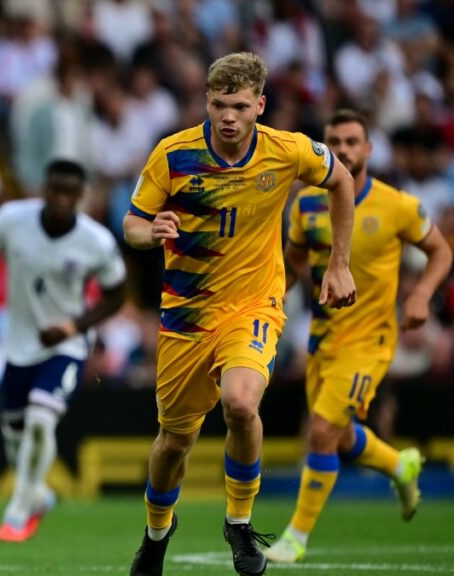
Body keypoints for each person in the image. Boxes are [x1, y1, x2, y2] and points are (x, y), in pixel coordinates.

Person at [121, 52, 358, 576]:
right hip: (185, 315)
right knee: (173, 443)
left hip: (254, 305)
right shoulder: (173, 154)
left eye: (240, 106)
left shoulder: (287, 150)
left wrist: (338, 264)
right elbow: (132, 224)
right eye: (219, 104)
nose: (229, 116)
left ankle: (239, 522)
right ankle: (157, 533)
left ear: (260, 106)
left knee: (242, 404)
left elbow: (342, 181)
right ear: (207, 102)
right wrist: (151, 231)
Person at [265, 109, 453, 564]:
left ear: (368, 149)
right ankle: (399, 465)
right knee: (342, 436)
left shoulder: (397, 206)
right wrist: (266, 302)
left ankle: (296, 537)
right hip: (323, 337)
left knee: (322, 429)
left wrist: (421, 295)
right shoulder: (307, 204)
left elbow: (441, 251)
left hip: (371, 340)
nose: (344, 149)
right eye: (335, 141)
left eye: (353, 141)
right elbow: (291, 267)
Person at [0, 159, 128, 542]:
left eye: (68, 194)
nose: (59, 200)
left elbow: (117, 295)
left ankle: (18, 510)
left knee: (42, 419)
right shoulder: (11, 219)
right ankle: (38, 495)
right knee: (16, 441)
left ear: (79, 197)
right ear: (44, 190)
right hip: (19, 348)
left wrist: (75, 327)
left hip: (65, 347)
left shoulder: (96, 241)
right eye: (53, 191)